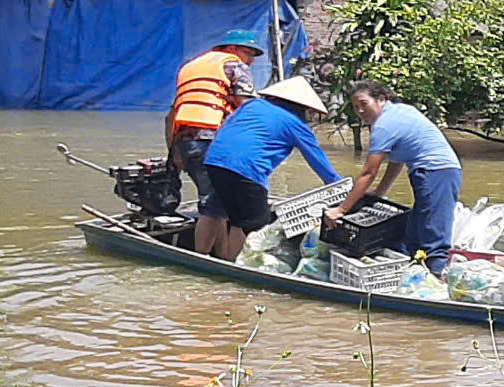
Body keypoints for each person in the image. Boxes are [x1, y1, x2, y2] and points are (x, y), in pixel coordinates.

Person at [192, 77, 338, 262]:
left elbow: (226, 127)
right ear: (303, 108)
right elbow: (320, 163)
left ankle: (203, 258)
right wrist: (343, 190)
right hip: (247, 169)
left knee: (219, 212)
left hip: (214, 160)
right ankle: (238, 268)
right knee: (256, 226)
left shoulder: (251, 105)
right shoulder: (296, 124)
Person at [327, 83, 463, 278]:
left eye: (364, 104)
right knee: (414, 234)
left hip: (437, 171)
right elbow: (397, 160)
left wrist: (341, 209)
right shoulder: (399, 112)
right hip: (431, 172)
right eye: (355, 107)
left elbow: (368, 173)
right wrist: (380, 192)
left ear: (381, 99)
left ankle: (436, 277)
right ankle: (417, 273)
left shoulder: (384, 124)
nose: (360, 111)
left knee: (433, 234)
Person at [165, 33, 264, 207]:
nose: (251, 60)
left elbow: (171, 117)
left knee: (210, 197)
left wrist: (174, 154)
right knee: (221, 205)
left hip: (186, 143)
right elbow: (247, 107)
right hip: (213, 141)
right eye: (248, 53)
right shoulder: (234, 64)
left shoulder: (190, 67)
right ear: (231, 48)